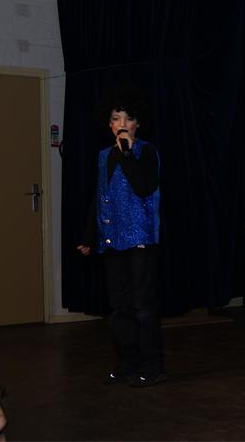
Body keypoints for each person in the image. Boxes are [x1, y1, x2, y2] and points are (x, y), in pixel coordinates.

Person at [77, 91, 165, 387]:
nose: (122, 123)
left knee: (143, 307)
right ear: (109, 124)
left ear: (138, 124)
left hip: (140, 238)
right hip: (112, 239)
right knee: (120, 309)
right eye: (116, 118)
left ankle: (153, 366)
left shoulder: (146, 152)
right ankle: (128, 363)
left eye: (128, 118)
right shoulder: (104, 156)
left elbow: (144, 186)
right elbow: (100, 196)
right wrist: (90, 234)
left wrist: (127, 153)